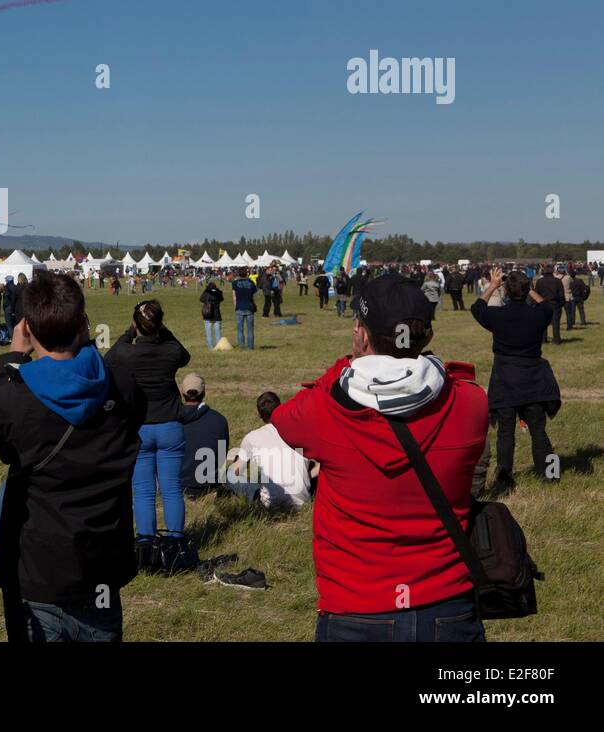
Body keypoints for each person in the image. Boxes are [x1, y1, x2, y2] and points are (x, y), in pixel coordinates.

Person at [269, 273, 488, 642]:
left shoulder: (323, 411)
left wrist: (347, 365)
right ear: (428, 337)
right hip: (447, 604)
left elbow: (283, 419)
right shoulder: (471, 404)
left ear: (362, 335)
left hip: (356, 607)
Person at [0, 272, 142, 642]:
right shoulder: (122, 385)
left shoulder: (15, 394)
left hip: (36, 569)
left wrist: (14, 358)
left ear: (28, 329)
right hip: (99, 565)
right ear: (83, 325)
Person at [105, 300, 191, 563]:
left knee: (142, 491)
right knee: (171, 488)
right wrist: (162, 331)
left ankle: (146, 545)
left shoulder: (126, 355)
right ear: (160, 324)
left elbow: (109, 357)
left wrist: (130, 332)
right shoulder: (170, 352)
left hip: (139, 427)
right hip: (170, 426)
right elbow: (184, 354)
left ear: (136, 324)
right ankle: (176, 543)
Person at [470, 268, 559, 496]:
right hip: (533, 378)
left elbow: (477, 308)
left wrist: (492, 285)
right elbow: (548, 307)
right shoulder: (538, 315)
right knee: (538, 430)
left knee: (505, 432)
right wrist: (531, 291)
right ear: (528, 289)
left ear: (507, 291)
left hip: (505, 379)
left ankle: (504, 478)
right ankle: (550, 474)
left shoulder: (497, 315)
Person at [228, 392, 313, 509]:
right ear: (281, 408)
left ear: (258, 414)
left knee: (228, 475)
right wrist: (307, 476)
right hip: (303, 500)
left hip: (271, 504)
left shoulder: (252, 437)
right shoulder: (302, 430)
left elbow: (237, 471)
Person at [179, 373, 230, 498]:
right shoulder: (219, 420)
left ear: (182, 392)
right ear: (204, 392)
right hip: (210, 485)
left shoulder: (172, 420)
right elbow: (222, 455)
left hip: (177, 485)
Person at [533, 265, 564, 344]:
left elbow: (537, 293)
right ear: (552, 271)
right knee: (556, 323)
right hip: (555, 304)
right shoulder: (557, 281)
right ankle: (557, 339)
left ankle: (543, 339)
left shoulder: (540, 281)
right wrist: (561, 303)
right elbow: (561, 294)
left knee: (543, 323)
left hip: (543, 304)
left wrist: (537, 304)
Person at [231, 268, 257, 350]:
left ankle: (241, 346)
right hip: (249, 307)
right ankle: (250, 347)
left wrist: (235, 307)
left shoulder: (235, 283)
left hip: (239, 307)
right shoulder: (251, 282)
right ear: (246, 273)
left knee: (240, 329)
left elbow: (234, 296)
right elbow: (253, 296)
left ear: (238, 274)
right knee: (250, 329)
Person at [199, 279, 223, 348]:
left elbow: (201, 299)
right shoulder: (218, 293)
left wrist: (206, 290)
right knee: (218, 332)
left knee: (208, 333)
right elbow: (221, 298)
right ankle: (219, 346)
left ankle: (210, 347)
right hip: (217, 315)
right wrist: (217, 289)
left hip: (207, 314)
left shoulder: (206, 294)